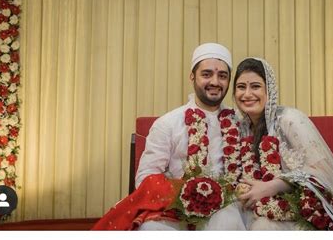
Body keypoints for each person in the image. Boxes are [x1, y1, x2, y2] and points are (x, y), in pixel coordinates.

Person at [92, 43, 246, 231]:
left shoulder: (240, 124)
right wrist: (186, 194)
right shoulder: (169, 123)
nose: (215, 81)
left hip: (226, 207)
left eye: (222, 76)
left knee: (226, 220)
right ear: (192, 76)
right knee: (150, 230)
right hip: (176, 208)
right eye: (206, 74)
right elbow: (145, 178)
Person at [233, 57, 333, 230]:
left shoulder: (289, 119)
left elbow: (321, 171)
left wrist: (273, 186)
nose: (247, 94)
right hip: (258, 207)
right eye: (241, 87)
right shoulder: (241, 128)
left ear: (269, 91)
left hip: (305, 210)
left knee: (263, 228)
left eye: (255, 86)